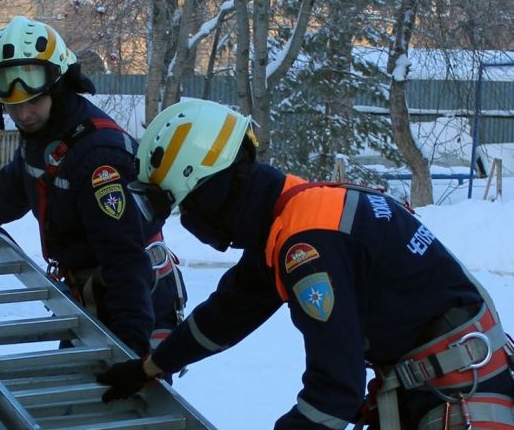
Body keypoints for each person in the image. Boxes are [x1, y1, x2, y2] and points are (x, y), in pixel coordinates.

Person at [96, 99, 514, 429]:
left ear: (210, 190)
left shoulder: (307, 245)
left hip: (458, 394)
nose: (189, 220)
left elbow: (335, 391)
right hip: (441, 381)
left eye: (185, 205)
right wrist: (150, 367)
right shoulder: (292, 210)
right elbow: (228, 314)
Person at [0, 16, 186, 362]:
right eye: (12, 104)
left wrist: (133, 351)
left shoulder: (98, 156)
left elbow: (124, 258)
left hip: (135, 303)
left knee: (124, 409)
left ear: (57, 87)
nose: (22, 114)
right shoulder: (43, 136)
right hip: (89, 299)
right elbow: (12, 188)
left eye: (32, 101)